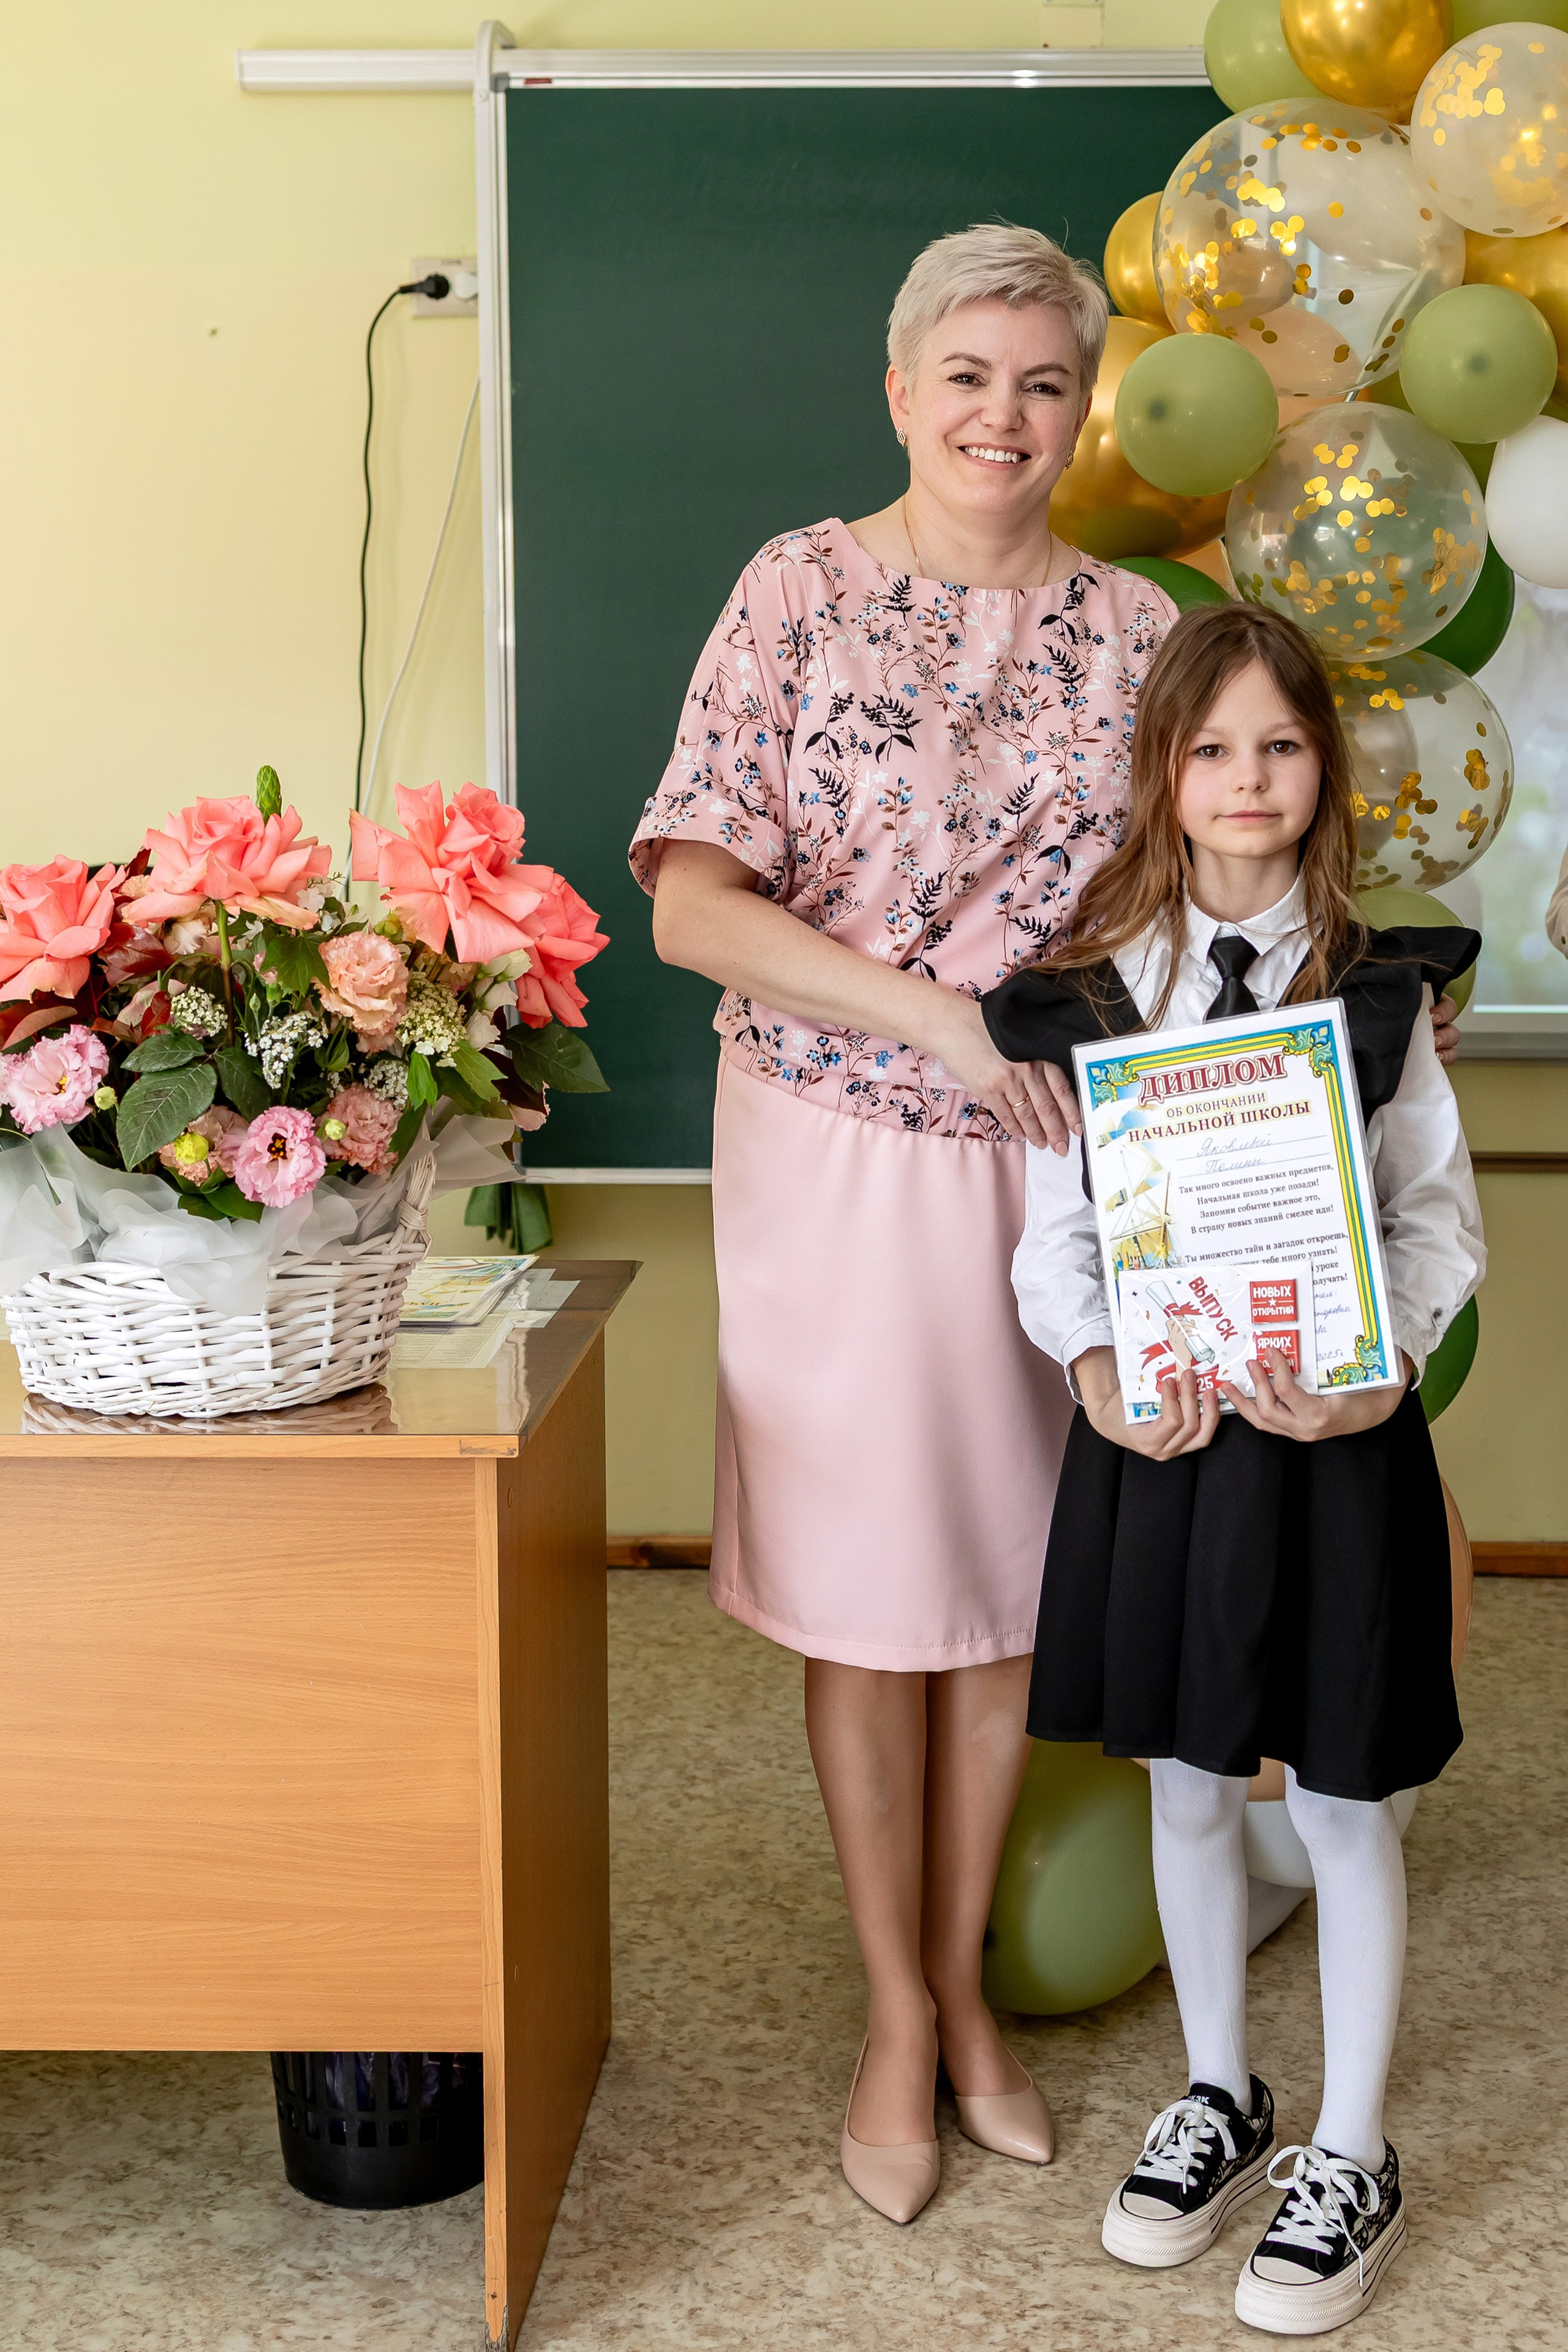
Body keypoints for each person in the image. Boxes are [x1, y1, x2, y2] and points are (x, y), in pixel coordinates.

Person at [632, 222, 1178, 2224]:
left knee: (1007, 1604)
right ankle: (891, 2011)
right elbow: (692, 906)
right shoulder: (797, 587)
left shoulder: (1140, 630)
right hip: (831, 1150)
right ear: (899, 391)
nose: (1003, 417)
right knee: (872, 1603)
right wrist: (937, 1015)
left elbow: (1210, 891)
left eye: (1044, 381)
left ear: (1082, 404)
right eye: (968, 375)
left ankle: (964, 2006)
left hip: (1054, 1165)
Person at [984, 601, 1483, 2335]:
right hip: (1171, 1446)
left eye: (1281, 745)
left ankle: (1350, 2146)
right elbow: (1058, 1242)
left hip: (1334, 1450)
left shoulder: (1383, 989)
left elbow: (1437, 1225)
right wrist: (1103, 1369)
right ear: (1164, 776)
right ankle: (1220, 2091)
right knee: (1187, 1781)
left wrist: (1380, 1374)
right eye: (1214, 749)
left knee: (1342, 1797)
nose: (1250, 778)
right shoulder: (1097, 997)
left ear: (1323, 770)